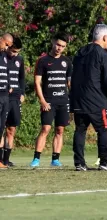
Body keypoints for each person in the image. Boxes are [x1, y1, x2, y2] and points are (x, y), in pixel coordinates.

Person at [71, 24, 107, 171]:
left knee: (80, 130)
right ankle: (104, 163)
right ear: (105, 37)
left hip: (78, 98)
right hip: (95, 100)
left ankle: (79, 163)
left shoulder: (80, 52)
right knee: (104, 129)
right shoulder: (103, 54)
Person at [30, 33, 72, 168]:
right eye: (58, 45)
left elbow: (70, 83)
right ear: (53, 42)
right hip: (48, 101)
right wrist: (42, 100)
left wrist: (73, 99)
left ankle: (55, 159)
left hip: (63, 101)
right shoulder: (42, 61)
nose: (60, 48)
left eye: (63, 46)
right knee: (45, 128)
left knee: (60, 130)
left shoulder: (67, 61)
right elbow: (37, 83)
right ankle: (36, 158)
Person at [3, 37, 25, 167]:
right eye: (13, 51)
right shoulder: (2, 58)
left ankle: (6, 159)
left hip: (15, 98)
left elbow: (21, 77)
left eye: (17, 52)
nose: (15, 54)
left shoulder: (19, 59)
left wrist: (22, 92)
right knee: (1, 128)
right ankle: (0, 159)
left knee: (11, 128)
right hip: (4, 96)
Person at [0, 37, 10, 169]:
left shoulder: (4, 56)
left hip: (4, 96)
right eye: (6, 44)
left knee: (1, 127)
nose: (6, 48)